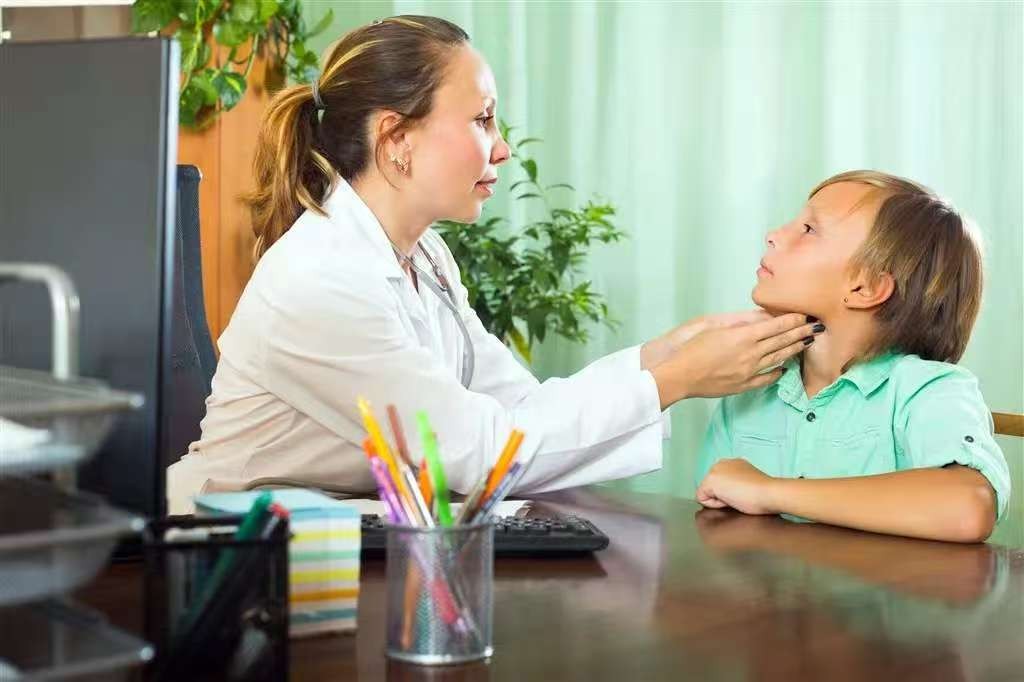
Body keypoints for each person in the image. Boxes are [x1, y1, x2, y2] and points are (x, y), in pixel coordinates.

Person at [166, 16, 821, 514]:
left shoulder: (426, 256)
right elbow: (475, 455)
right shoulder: (319, 279)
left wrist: (668, 354)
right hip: (222, 550)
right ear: (395, 139)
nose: (502, 148)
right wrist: (674, 380)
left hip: (335, 535)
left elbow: (516, 408)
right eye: (482, 120)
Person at [695, 170, 1011, 542]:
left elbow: (968, 507)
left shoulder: (928, 391)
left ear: (865, 287)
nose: (773, 234)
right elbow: (716, 525)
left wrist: (768, 491)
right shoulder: (749, 393)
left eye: (809, 229)